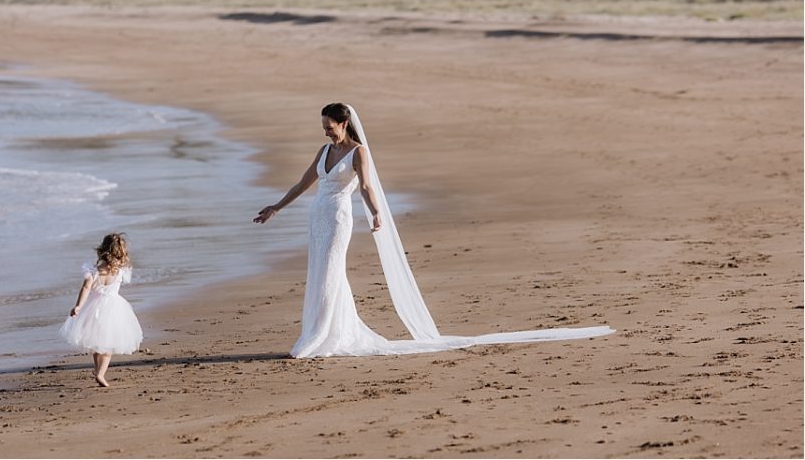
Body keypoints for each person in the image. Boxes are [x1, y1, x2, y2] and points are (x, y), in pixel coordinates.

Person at [254, 103, 614, 358]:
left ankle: (320, 338)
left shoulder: (358, 152)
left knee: (331, 273)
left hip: (337, 220)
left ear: (344, 124)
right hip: (317, 218)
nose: (326, 133)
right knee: (320, 274)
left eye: (330, 128)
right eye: (323, 129)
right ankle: (327, 332)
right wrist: (276, 207)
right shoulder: (323, 151)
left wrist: (377, 213)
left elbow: (366, 186)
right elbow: (304, 183)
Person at [60, 232, 143, 386]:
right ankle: (100, 374)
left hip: (93, 308)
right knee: (108, 343)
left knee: (96, 342)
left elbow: (86, 288)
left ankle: (97, 369)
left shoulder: (93, 271)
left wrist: (78, 306)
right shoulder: (121, 271)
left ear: (102, 249)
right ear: (121, 253)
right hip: (114, 309)